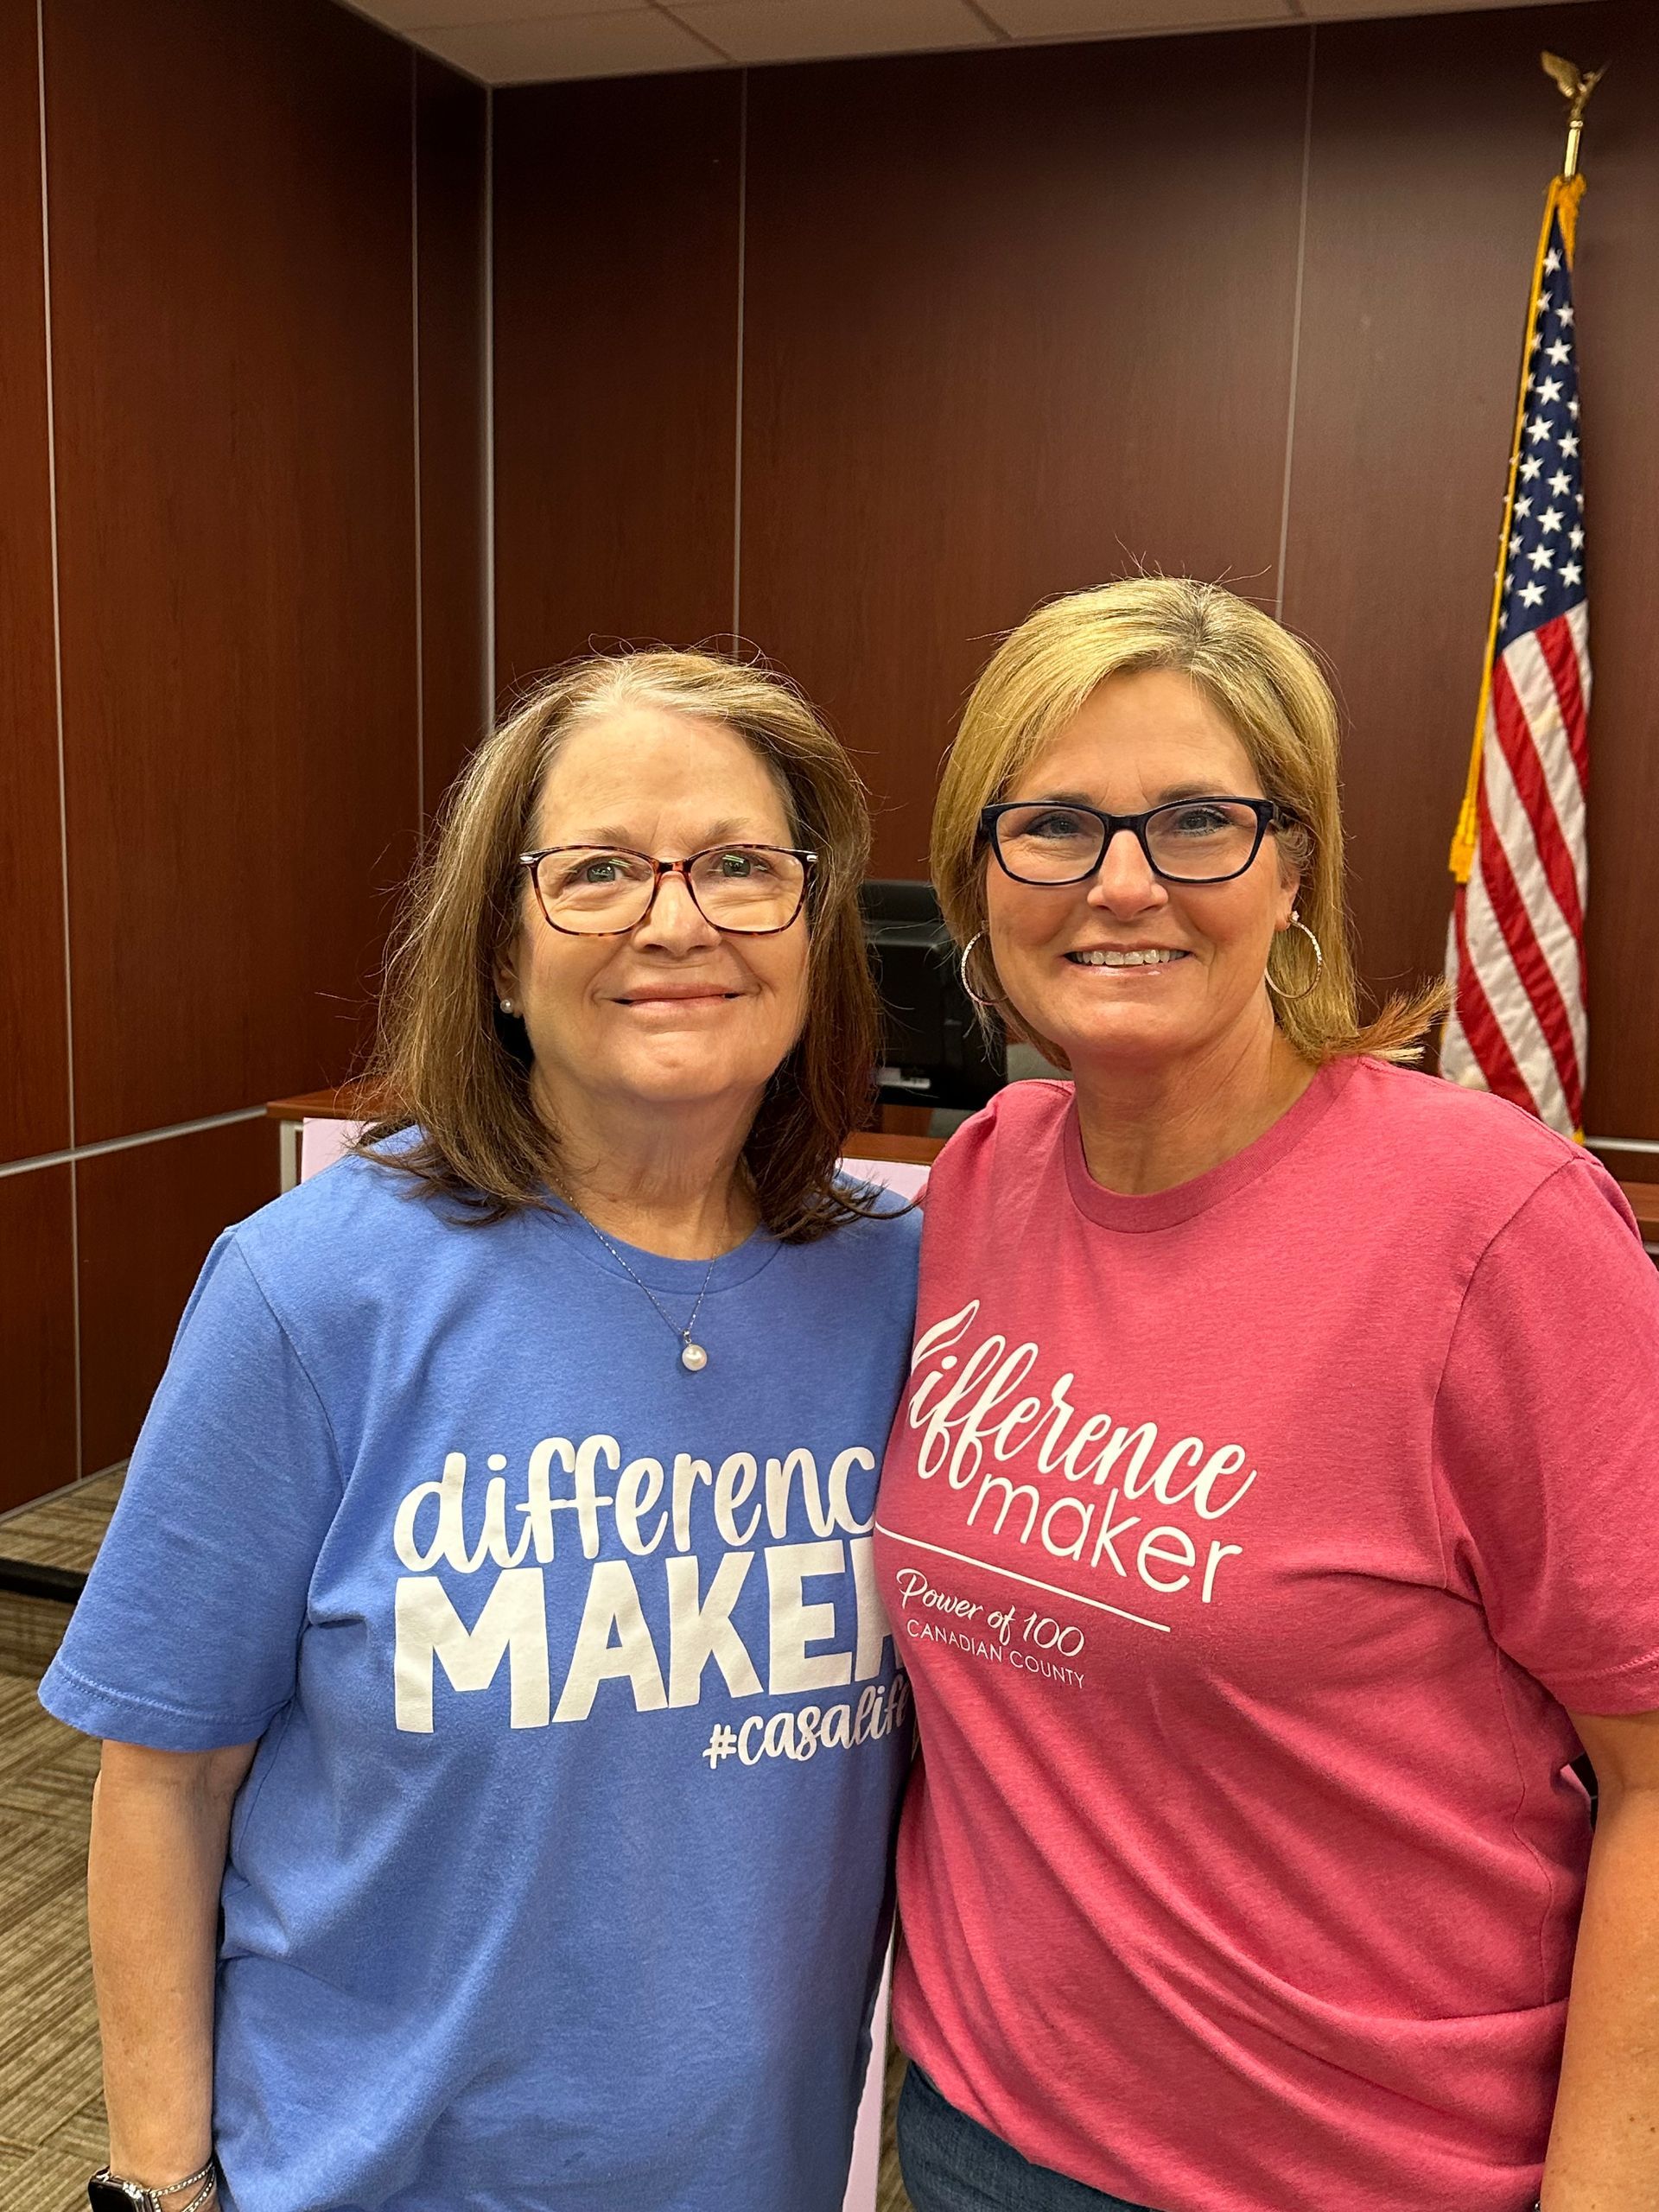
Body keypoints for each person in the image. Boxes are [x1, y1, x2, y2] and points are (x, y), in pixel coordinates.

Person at [42, 650, 921, 2212]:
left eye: (741, 865)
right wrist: (157, 2187)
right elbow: (162, 1781)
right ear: (503, 956)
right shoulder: (311, 1294)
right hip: (371, 2176)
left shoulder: (906, 1297)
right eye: (596, 872)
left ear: (814, 929)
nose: (677, 918)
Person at [873, 578, 1659, 2212]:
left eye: (1199, 824)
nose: (1124, 883)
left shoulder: (1494, 1228)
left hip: (1363, 2172)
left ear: (1293, 867)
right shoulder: (979, 1184)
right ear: (979, 879)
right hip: (972, 2134)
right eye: (1057, 828)